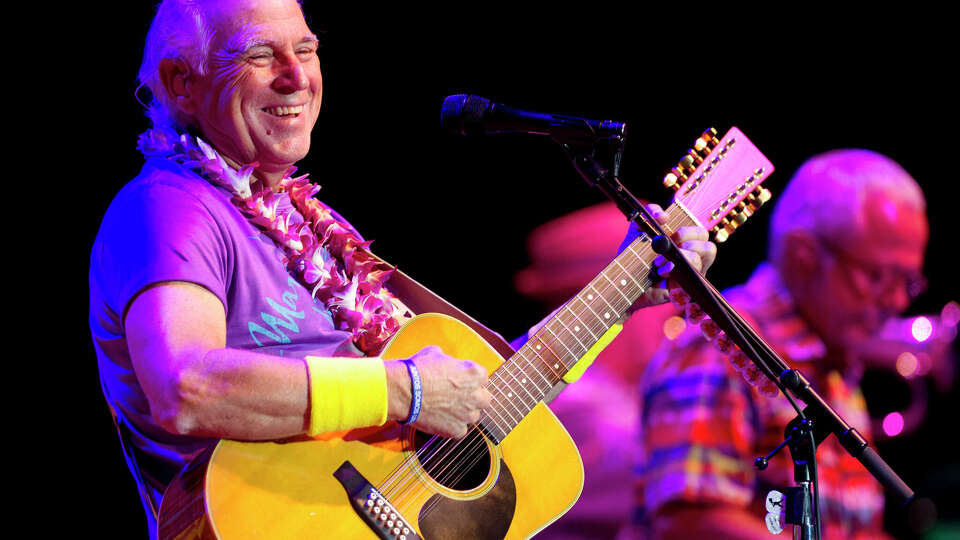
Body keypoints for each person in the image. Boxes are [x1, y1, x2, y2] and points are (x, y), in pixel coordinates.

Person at [87, 0, 716, 537]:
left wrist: (626, 294)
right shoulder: (169, 207)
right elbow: (186, 387)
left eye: (305, 50)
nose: (294, 77)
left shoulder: (313, 224)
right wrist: (406, 390)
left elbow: (476, 399)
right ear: (180, 83)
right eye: (259, 56)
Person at [631, 149, 929, 539]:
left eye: (907, 281)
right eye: (878, 276)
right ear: (804, 257)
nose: (898, 301)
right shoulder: (721, 346)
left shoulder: (831, 359)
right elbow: (690, 523)